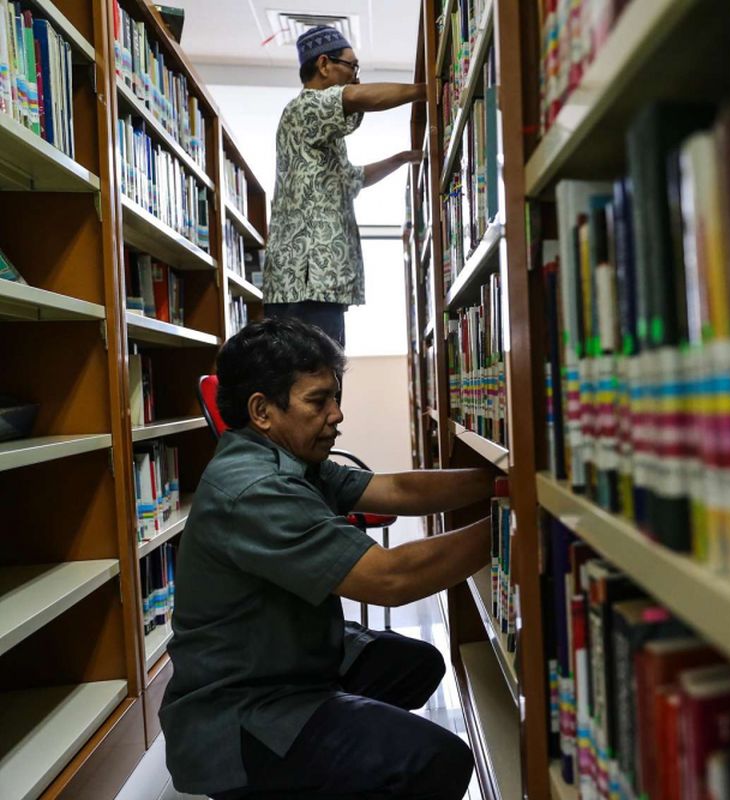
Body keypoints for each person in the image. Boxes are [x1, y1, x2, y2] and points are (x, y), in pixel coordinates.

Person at [160, 317, 493, 799]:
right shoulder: (256, 488)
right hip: (239, 712)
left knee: (415, 664)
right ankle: (286, 775)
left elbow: (396, 488)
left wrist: (505, 480)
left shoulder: (290, 459)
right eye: (319, 401)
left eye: (335, 398)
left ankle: (327, 761)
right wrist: (521, 528)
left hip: (283, 664)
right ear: (262, 410)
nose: (337, 415)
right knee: (437, 760)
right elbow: (391, 579)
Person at [264, 25, 426, 346]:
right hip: (305, 285)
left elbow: (354, 179)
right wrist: (425, 90)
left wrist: (404, 157)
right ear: (324, 65)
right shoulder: (306, 107)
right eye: (352, 66)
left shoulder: (319, 137)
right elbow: (354, 97)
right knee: (312, 382)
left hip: (317, 286)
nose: (356, 77)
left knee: (321, 381)